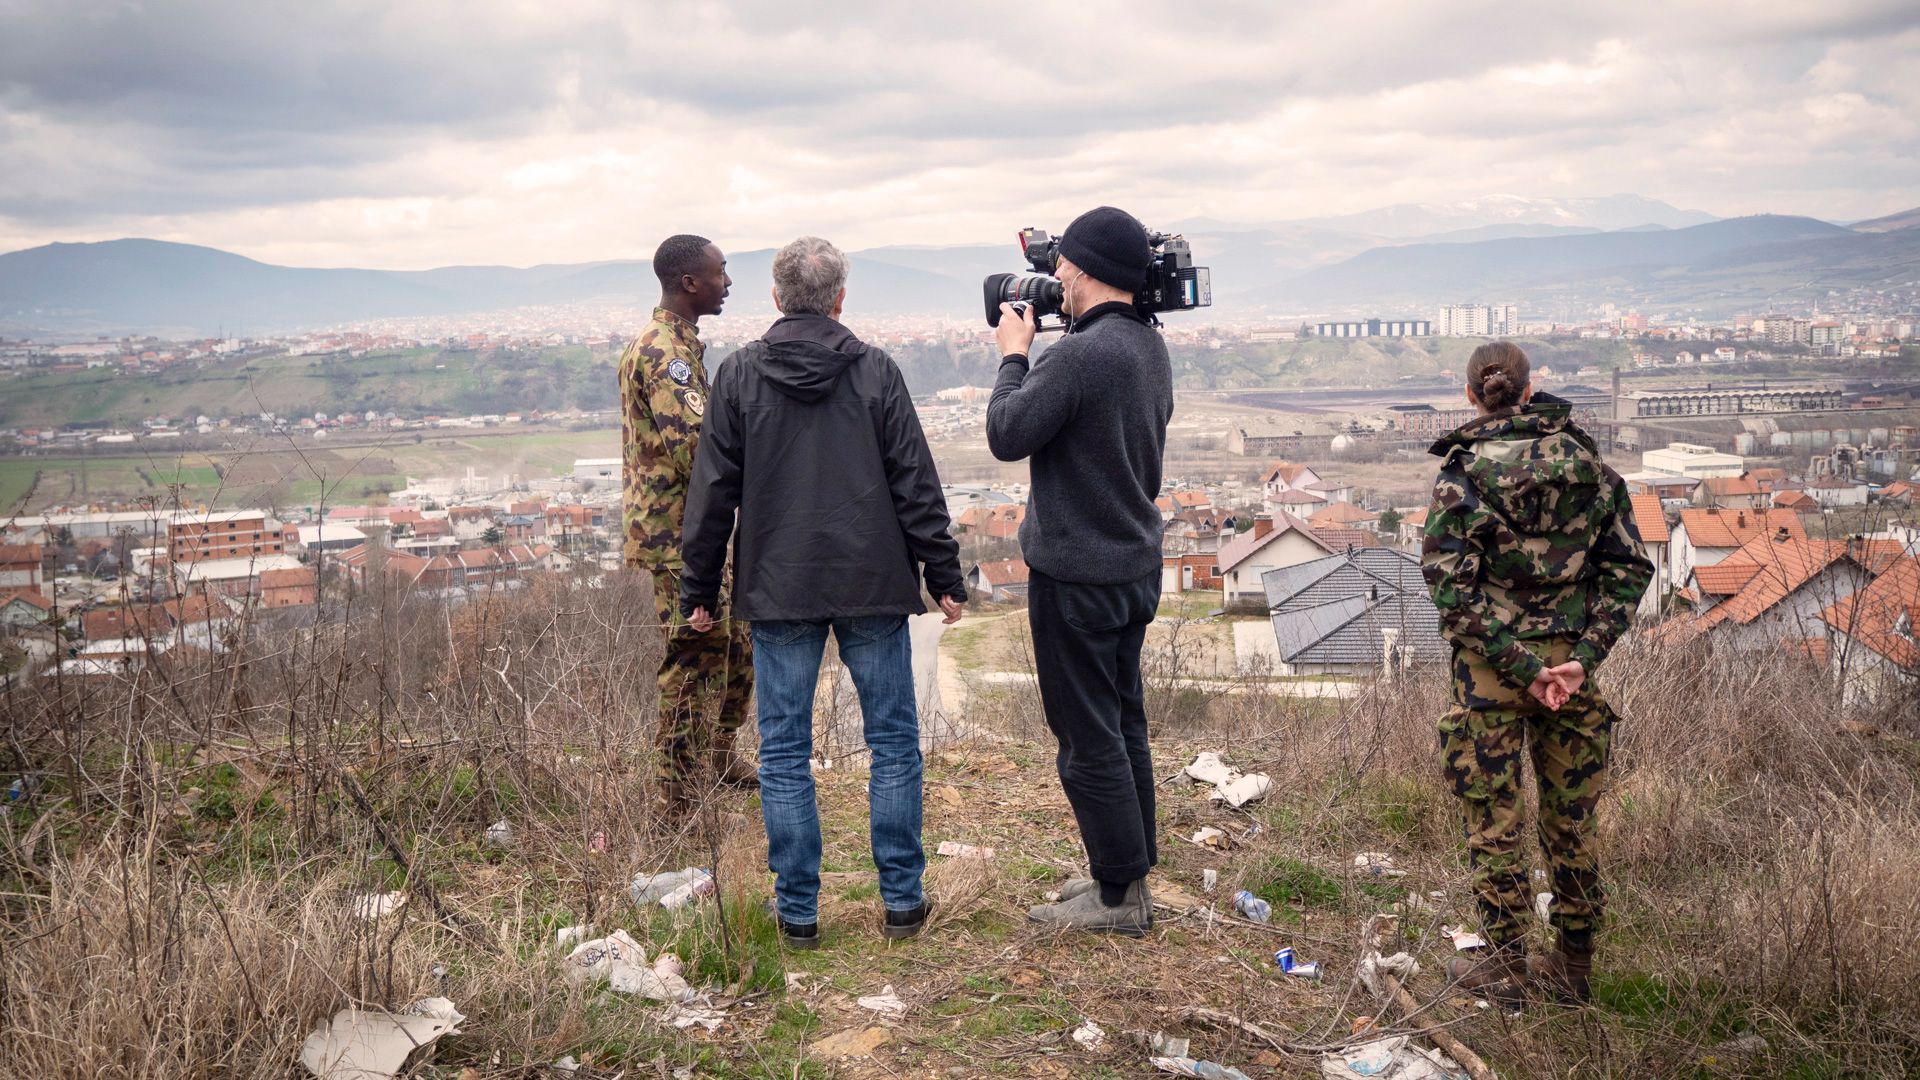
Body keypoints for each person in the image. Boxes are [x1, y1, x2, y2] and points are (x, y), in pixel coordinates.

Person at [680, 235, 967, 949]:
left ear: (776, 298)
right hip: (872, 581)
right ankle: (903, 902)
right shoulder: (876, 372)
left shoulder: (740, 376)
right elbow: (915, 483)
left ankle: (798, 913)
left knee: (781, 751)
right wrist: (944, 575)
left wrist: (700, 585)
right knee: (894, 744)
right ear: (840, 298)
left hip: (779, 585)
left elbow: (711, 493)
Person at [1421, 341, 1652, 1005]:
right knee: (1571, 821)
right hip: (1572, 678)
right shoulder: (1590, 466)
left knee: (1494, 821)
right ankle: (1574, 967)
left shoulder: (1461, 474)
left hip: (1490, 682)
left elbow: (1448, 587)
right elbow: (1629, 568)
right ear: (1531, 388)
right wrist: (1583, 657)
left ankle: (1507, 966)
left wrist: (1518, 665)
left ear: (1472, 395)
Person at [986, 206, 1173, 936]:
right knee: (1123, 722)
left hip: (1077, 574)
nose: (1054, 274)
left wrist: (1012, 354)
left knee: (1086, 735)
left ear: (1087, 270)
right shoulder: (1147, 348)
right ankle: (1123, 872)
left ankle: (1119, 898)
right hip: (1131, 565)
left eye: (1064, 263)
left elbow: (1007, 432)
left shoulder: (1078, 356)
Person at [620, 234, 756, 830]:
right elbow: (697, 449)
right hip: (676, 537)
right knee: (694, 657)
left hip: (697, 531)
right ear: (690, 283)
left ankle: (720, 761)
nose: (728, 283)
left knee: (736, 649)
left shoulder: (681, 347)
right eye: (721, 273)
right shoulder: (663, 354)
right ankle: (674, 802)